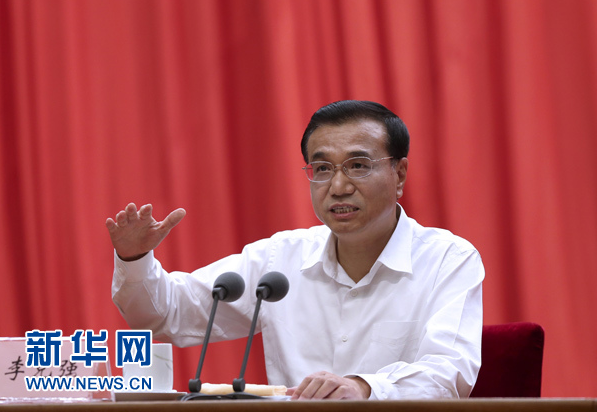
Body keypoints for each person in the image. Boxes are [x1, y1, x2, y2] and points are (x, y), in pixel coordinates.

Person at [107, 100, 484, 400]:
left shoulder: (447, 260)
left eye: (358, 165)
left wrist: (363, 388)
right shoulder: (279, 260)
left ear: (399, 174)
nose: (338, 186)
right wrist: (134, 259)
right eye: (322, 169)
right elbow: (167, 315)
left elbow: (449, 372)